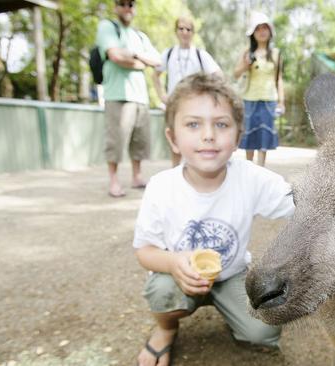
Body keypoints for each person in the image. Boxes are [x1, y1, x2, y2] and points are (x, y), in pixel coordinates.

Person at [134, 74, 294, 366]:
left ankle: (228, 306)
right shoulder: (161, 186)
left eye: (221, 124)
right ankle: (165, 329)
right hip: (180, 275)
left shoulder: (251, 178)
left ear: (237, 136)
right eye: (193, 124)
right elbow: (144, 251)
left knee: (263, 332)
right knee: (161, 290)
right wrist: (172, 263)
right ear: (172, 138)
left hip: (232, 274)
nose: (208, 135)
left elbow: (301, 204)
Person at [95, 0, 161, 197]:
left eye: (130, 4)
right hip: (117, 93)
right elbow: (115, 56)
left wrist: (132, 56)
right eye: (122, 4)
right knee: (115, 140)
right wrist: (140, 60)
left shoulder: (139, 36)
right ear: (116, 7)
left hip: (140, 95)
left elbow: (157, 61)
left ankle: (137, 176)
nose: (127, 8)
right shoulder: (108, 27)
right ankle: (114, 181)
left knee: (139, 140)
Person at [152, 16, 223, 167]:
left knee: (195, 139)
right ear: (176, 31)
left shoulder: (199, 54)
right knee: (176, 139)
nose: (185, 32)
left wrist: (207, 95)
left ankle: (194, 171)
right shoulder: (169, 53)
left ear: (193, 32)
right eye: (181, 28)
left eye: (188, 29)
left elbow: (218, 75)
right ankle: (175, 172)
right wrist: (162, 96)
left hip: (195, 106)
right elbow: (155, 75)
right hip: (174, 104)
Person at [233, 11, 284, 167]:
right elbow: (235, 74)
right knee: (250, 137)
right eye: (258, 29)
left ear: (270, 31)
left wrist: (282, 102)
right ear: (253, 33)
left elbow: (279, 79)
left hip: (269, 100)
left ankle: (261, 169)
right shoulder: (247, 53)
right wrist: (245, 64)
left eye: (264, 28)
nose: (262, 32)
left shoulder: (276, 54)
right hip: (249, 99)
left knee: (264, 138)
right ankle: (249, 168)